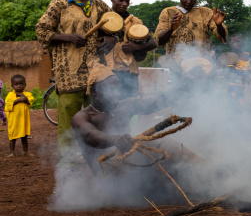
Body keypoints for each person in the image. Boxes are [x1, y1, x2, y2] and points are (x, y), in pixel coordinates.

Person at [35, 0, 111, 159]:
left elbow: (115, 26)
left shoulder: (100, 6)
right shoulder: (59, 4)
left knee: (97, 120)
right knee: (68, 123)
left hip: (96, 76)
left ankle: (96, 162)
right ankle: (67, 165)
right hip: (68, 75)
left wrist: (112, 39)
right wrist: (69, 38)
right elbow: (42, 31)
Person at [71, 66, 202, 173]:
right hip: (108, 173)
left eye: (118, 88)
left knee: (171, 158)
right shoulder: (82, 117)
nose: (116, 93)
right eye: (110, 89)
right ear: (94, 91)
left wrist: (183, 86)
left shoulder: (124, 105)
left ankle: (206, 171)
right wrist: (116, 139)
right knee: (163, 145)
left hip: (133, 167)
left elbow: (157, 101)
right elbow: (90, 135)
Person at [101, 0, 157, 98]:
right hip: (107, 71)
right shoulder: (103, 18)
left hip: (129, 72)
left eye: (127, 1)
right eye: (120, 0)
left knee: (130, 106)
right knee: (108, 107)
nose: (124, 4)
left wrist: (136, 47)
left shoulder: (135, 22)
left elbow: (153, 43)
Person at [153, 0, 228, 61]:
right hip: (174, 65)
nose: (189, 1)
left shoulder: (206, 12)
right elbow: (159, 41)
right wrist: (171, 29)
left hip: (202, 64)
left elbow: (222, 36)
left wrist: (219, 25)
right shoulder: (168, 12)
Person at [5, 75, 34, 157]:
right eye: (16, 84)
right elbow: (8, 105)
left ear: (25, 85)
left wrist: (22, 96)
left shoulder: (28, 94)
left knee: (24, 137)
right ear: (12, 86)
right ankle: (11, 152)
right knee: (12, 137)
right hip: (14, 121)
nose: (19, 86)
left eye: (21, 84)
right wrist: (19, 100)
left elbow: (29, 101)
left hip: (24, 121)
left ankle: (25, 152)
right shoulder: (10, 95)